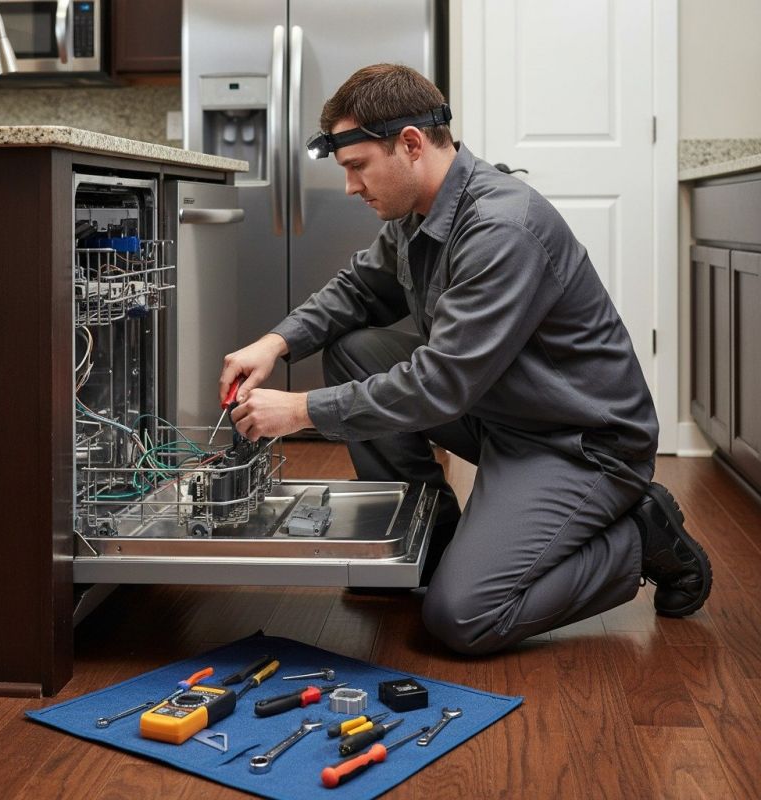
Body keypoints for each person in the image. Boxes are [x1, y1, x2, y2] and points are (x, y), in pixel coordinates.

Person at [219, 64, 712, 655]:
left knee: (463, 617)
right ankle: (435, 546)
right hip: (502, 409)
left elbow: (439, 385)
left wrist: (302, 410)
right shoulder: (417, 213)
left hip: (577, 443)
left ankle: (639, 535)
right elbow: (357, 289)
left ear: (410, 144)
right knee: (355, 351)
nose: (351, 187)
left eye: (356, 167)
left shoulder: (503, 228)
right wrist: (274, 343)